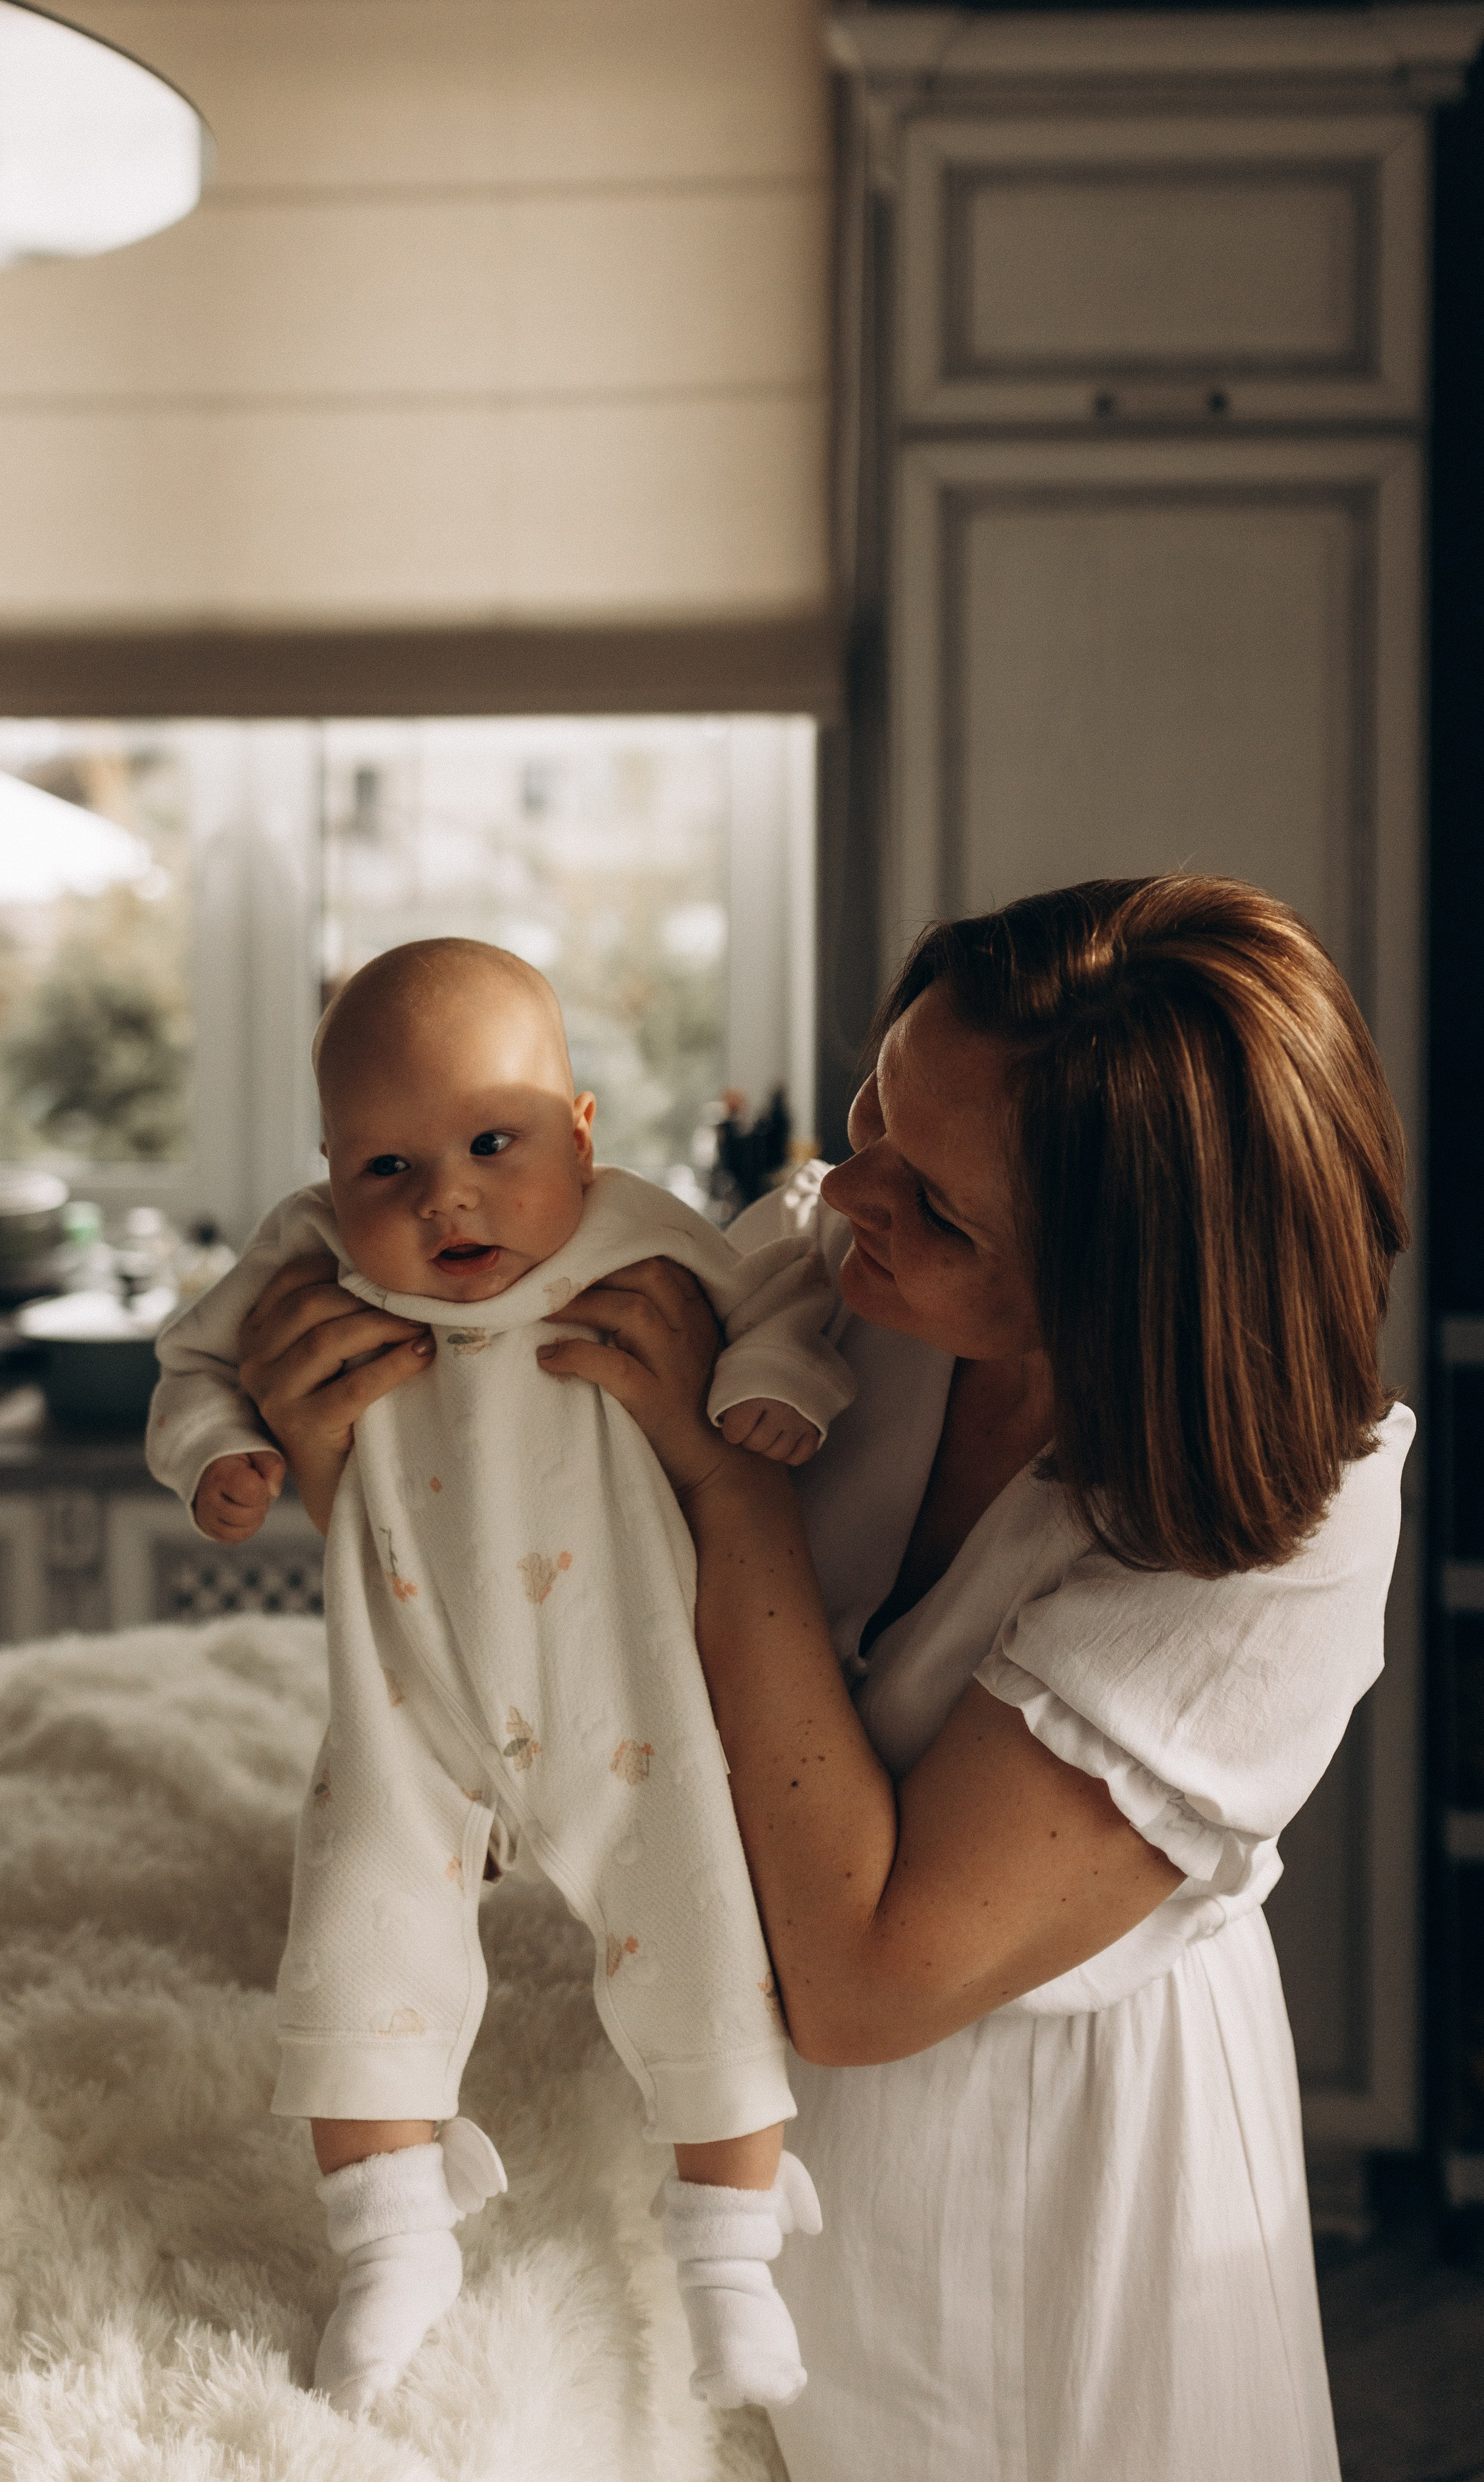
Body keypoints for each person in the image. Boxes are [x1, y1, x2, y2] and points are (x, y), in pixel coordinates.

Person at [520, 874, 1414, 2482]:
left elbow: (867, 1982)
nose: (844, 1187)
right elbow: (544, 1546)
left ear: (1127, 1290)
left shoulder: (1281, 1540)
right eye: (872, 1110)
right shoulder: (842, 1275)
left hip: (1045, 2181)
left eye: (938, 1207)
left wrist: (730, 1497)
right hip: (742, 2134)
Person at [145, 937, 851, 2420]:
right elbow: (191, 1363)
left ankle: (727, 2252)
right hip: (411, 1701)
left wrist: (771, 1388)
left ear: (579, 1136)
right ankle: (389, 2237)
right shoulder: (303, 1261)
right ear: (328, 1173)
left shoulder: (632, 1239)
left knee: (699, 1920)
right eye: (385, 1167)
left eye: (488, 1144)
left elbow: (770, 1313)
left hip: (623, 1695)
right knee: (355, 1928)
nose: (441, 1197)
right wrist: (218, 1451)